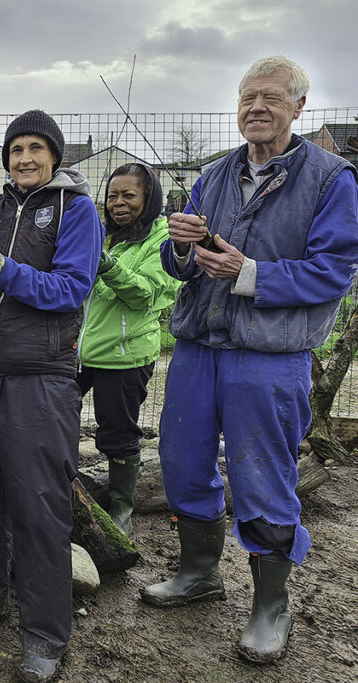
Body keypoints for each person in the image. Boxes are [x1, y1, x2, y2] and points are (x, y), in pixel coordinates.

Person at [141, 56, 358, 665]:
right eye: (247, 98)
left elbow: (334, 270)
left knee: (263, 479)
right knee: (183, 463)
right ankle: (199, 572)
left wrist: (250, 273)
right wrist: (180, 248)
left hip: (268, 354)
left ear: (298, 108)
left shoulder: (330, 179)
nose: (256, 108)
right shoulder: (214, 174)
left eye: (270, 98)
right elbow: (177, 265)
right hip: (196, 346)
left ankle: (270, 607)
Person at [0, 110, 104, 682]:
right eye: (17, 149)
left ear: (55, 157)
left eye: (36, 148)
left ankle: (43, 634)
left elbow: (70, 290)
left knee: (39, 507)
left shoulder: (75, 210)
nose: (25, 158)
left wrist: (4, 270)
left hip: (40, 375)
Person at [76, 163, 179, 535]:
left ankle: (121, 508)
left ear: (149, 198)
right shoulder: (101, 233)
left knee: (118, 432)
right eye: (113, 195)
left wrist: (105, 264)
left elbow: (145, 294)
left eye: (129, 195)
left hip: (123, 354)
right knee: (55, 418)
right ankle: (63, 492)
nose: (118, 203)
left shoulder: (164, 239)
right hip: (76, 351)